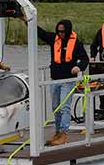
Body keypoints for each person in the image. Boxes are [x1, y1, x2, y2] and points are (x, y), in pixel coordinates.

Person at [26, 18, 89, 146]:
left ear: (68, 31)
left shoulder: (76, 43)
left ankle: (64, 133)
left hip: (68, 80)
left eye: (63, 32)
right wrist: (25, 19)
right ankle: (57, 132)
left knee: (64, 107)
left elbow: (84, 59)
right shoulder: (54, 39)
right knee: (55, 107)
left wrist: (79, 67)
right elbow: (39, 32)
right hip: (54, 80)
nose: (61, 34)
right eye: (59, 32)